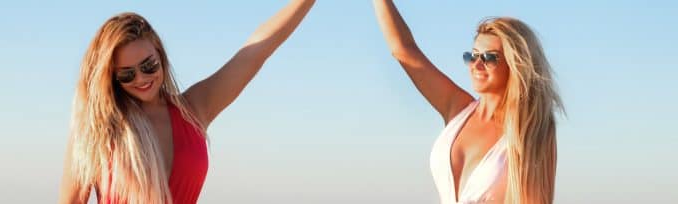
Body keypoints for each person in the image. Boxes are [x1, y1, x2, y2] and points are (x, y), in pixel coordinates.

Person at [58, 1, 316, 203]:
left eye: (149, 65)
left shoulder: (193, 110)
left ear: (160, 53)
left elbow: (256, 51)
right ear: (112, 77)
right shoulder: (96, 128)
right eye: (127, 73)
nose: (141, 78)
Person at [372, 0, 564, 203]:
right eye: (472, 56)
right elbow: (403, 50)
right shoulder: (458, 108)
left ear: (515, 64)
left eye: (490, 57)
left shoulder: (530, 129)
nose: (477, 65)